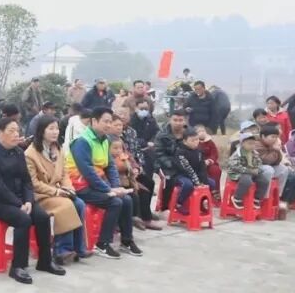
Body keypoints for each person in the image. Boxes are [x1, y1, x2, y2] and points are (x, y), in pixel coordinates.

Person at [0, 117, 64, 283]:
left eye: (17, 131)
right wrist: (19, 204)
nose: (15, 134)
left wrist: (28, 201)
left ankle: (45, 261)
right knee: (23, 219)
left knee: (43, 217)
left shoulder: (18, 152)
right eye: (11, 131)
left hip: (20, 199)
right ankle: (18, 266)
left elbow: (27, 180)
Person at [66, 107, 141, 259]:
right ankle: (102, 244)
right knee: (114, 202)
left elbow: (110, 165)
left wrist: (115, 186)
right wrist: (108, 190)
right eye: (105, 121)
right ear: (94, 121)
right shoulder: (81, 142)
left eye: (110, 122)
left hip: (96, 184)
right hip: (79, 186)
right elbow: (87, 171)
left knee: (127, 200)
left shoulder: (105, 140)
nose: (108, 125)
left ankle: (126, 241)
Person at [25, 115, 88, 267]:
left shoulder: (58, 149)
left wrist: (69, 188)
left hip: (57, 191)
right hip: (40, 195)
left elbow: (64, 173)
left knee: (79, 203)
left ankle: (78, 248)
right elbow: (34, 183)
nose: (55, 132)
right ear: (41, 131)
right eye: (51, 129)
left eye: (57, 128)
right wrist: (57, 192)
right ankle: (61, 250)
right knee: (66, 205)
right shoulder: (30, 154)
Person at [259, 124, 295, 216]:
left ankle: (278, 196)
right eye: (272, 137)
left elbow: (277, 161)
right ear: (263, 136)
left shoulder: (271, 145)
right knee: (269, 169)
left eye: (276, 137)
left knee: (283, 170)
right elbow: (266, 161)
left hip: (268, 166)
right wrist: (275, 150)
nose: (275, 139)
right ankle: (265, 198)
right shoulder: (257, 144)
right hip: (257, 168)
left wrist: (277, 150)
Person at [169, 129, 216, 215]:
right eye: (192, 140)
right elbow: (188, 169)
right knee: (188, 185)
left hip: (196, 175)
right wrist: (197, 182)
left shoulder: (199, 151)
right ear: (185, 141)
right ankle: (179, 204)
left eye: (197, 140)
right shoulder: (180, 152)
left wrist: (204, 181)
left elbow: (202, 167)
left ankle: (201, 202)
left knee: (211, 183)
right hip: (181, 175)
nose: (195, 142)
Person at [225, 132, 273, 210]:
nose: (252, 146)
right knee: (247, 181)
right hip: (238, 173)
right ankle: (237, 198)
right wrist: (249, 171)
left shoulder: (255, 153)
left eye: (253, 144)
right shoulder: (237, 154)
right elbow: (233, 166)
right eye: (249, 144)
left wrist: (257, 169)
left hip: (251, 172)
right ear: (242, 144)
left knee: (264, 180)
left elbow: (259, 163)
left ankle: (257, 198)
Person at [155, 109, 190, 209]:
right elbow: (159, 154)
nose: (178, 123)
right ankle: (165, 207)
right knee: (168, 179)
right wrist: (173, 164)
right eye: (175, 120)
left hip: (184, 164)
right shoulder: (162, 134)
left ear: (185, 121)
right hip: (165, 165)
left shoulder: (190, 133)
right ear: (170, 120)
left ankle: (189, 205)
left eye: (180, 120)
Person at [194, 125, 223, 193]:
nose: (202, 133)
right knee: (203, 173)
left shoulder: (210, 142)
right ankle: (205, 192)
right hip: (198, 163)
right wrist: (202, 162)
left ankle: (215, 192)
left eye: (203, 131)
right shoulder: (194, 142)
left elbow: (214, 153)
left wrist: (210, 160)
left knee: (216, 170)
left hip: (210, 163)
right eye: (199, 131)